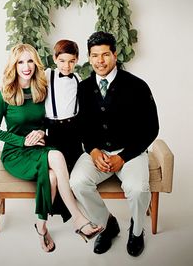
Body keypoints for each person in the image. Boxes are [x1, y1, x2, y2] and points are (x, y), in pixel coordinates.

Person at [0, 43, 103, 253]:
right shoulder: (3, 94)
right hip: (16, 153)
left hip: (39, 147)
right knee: (57, 155)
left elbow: (44, 120)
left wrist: (41, 132)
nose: (26, 66)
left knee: (51, 178)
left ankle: (41, 228)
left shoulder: (41, 88)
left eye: (30, 60)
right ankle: (77, 218)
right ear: (14, 65)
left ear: (36, 63)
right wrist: (22, 141)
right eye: (21, 61)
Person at [70, 31, 159, 257]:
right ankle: (108, 225)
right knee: (77, 182)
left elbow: (151, 128)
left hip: (130, 152)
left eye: (105, 54)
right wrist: (92, 150)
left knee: (138, 190)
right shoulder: (83, 88)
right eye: (95, 55)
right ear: (89, 58)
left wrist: (124, 156)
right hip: (97, 152)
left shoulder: (137, 86)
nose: (100, 61)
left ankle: (137, 232)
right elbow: (82, 126)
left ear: (115, 55)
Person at [45, 39, 83, 173]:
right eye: (62, 61)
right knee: (58, 170)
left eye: (71, 61)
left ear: (76, 60)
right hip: (54, 130)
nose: (66, 66)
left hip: (74, 130)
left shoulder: (78, 78)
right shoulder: (47, 75)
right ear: (55, 58)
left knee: (75, 168)